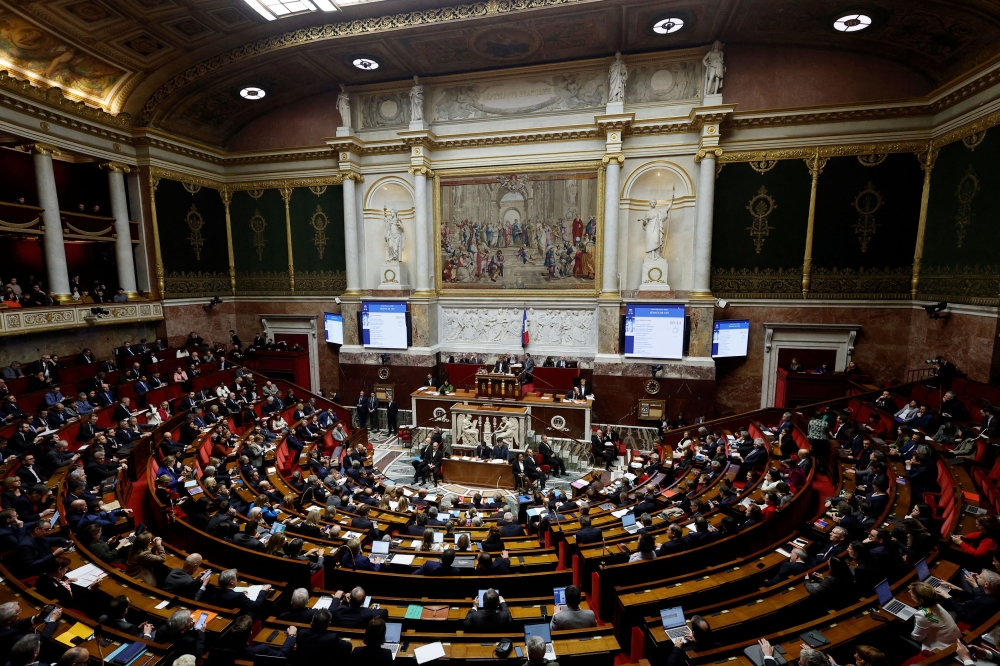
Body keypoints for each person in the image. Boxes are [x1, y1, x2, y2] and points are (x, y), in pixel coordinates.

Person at [908, 581, 962, 651]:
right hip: (954, 638)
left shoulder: (923, 615)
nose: (909, 592)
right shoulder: (935, 603)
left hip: (944, 647)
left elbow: (917, 637)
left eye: (912, 592)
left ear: (921, 600)